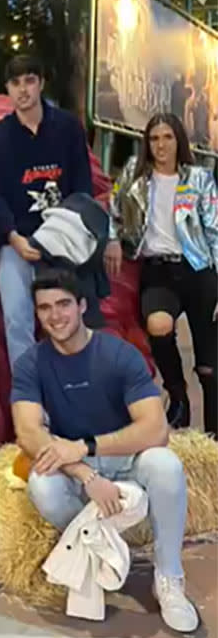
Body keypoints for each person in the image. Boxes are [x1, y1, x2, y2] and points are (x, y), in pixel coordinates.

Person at [11, 269, 198, 633]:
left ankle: (169, 579)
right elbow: (28, 433)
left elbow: (155, 428)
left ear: (82, 305)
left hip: (120, 456)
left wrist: (86, 447)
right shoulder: (31, 363)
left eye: (64, 304)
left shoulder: (118, 355)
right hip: (73, 465)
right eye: (45, 307)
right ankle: (104, 547)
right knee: (41, 484)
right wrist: (84, 472)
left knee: (166, 465)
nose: (55, 315)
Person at [104, 113, 217, 435]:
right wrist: (113, 239)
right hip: (158, 270)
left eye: (167, 137)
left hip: (198, 270)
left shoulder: (199, 178)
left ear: (179, 140)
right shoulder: (134, 175)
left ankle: (212, 440)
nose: (161, 145)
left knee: (210, 369)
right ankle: (177, 396)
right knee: (158, 324)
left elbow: (215, 231)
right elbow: (114, 209)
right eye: (154, 139)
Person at [0, 54, 93, 369]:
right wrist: (13, 236)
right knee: (16, 321)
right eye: (15, 83)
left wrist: (77, 235)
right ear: (7, 88)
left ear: (41, 83)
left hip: (64, 242)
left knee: (68, 319)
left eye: (29, 80)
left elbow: (81, 185)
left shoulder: (68, 128)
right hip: (19, 243)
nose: (23, 90)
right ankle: (29, 400)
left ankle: (76, 388)